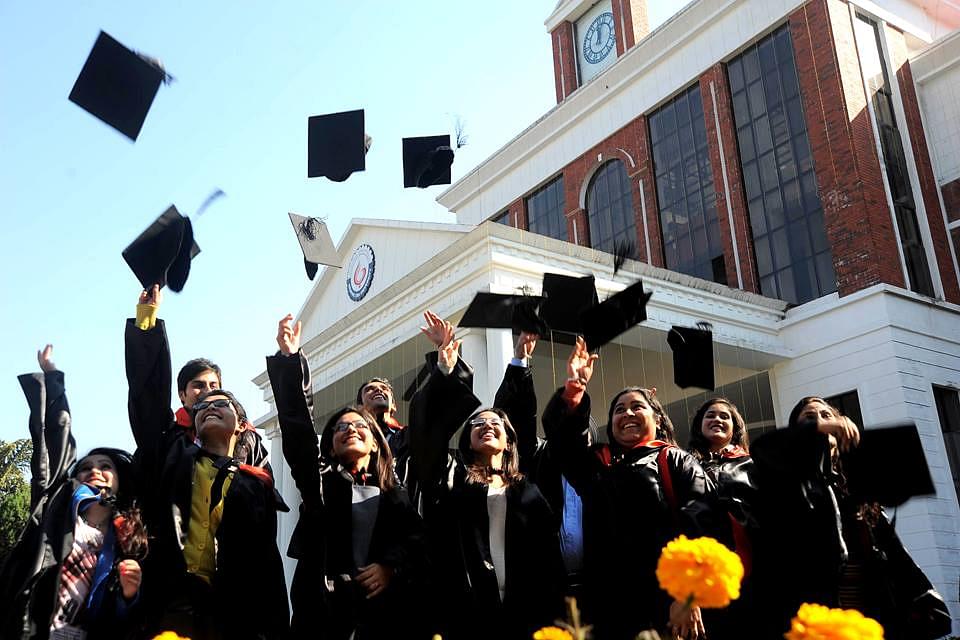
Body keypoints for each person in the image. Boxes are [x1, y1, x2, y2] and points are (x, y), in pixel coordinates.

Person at [126, 286, 289, 639]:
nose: (208, 395)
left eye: (217, 389)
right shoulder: (168, 443)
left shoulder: (251, 454)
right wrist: (147, 321)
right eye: (199, 388)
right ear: (183, 395)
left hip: (234, 601)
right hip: (174, 595)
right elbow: (146, 394)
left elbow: (264, 546)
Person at [541, 337, 714, 640]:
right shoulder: (598, 464)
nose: (628, 414)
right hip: (607, 608)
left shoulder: (674, 460)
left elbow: (704, 530)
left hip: (667, 605)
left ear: (657, 419)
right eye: (619, 410)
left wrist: (688, 596)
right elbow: (562, 444)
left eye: (637, 407)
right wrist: (574, 389)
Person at [267, 314, 427, 640]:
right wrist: (290, 361)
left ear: (375, 442)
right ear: (330, 445)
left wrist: (389, 567)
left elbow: (415, 538)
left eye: (358, 426)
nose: (350, 430)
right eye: (340, 427)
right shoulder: (321, 482)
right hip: (325, 614)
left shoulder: (394, 490)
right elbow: (299, 432)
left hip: (385, 616)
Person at [409, 312, 564, 640]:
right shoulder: (452, 477)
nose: (486, 425)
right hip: (470, 614)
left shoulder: (526, 485)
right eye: (477, 424)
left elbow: (521, 413)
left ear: (509, 439)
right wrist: (444, 369)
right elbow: (427, 435)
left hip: (529, 612)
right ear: (467, 440)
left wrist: (520, 359)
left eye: (495, 423)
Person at [751, 396, 951, 639]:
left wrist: (922, 595)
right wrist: (821, 427)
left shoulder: (857, 483)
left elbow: (890, 546)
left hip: (868, 609)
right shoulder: (789, 478)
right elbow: (763, 447)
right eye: (810, 418)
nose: (821, 422)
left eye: (826, 415)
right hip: (815, 609)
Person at [0, 345, 146, 640]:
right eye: (85, 467)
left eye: (105, 466)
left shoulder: (126, 538)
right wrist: (53, 377)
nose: (95, 471)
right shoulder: (56, 510)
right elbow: (57, 439)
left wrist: (129, 594)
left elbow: (122, 617)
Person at [492, 331, 588, 603]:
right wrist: (519, 362)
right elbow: (518, 422)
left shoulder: (604, 471)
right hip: (547, 589)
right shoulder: (541, 460)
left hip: (600, 591)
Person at [686, 398, 757, 639]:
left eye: (724, 416)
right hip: (700, 577)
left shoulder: (753, 465)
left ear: (735, 428)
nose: (717, 419)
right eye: (710, 415)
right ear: (699, 425)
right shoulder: (683, 463)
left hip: (747, 576)